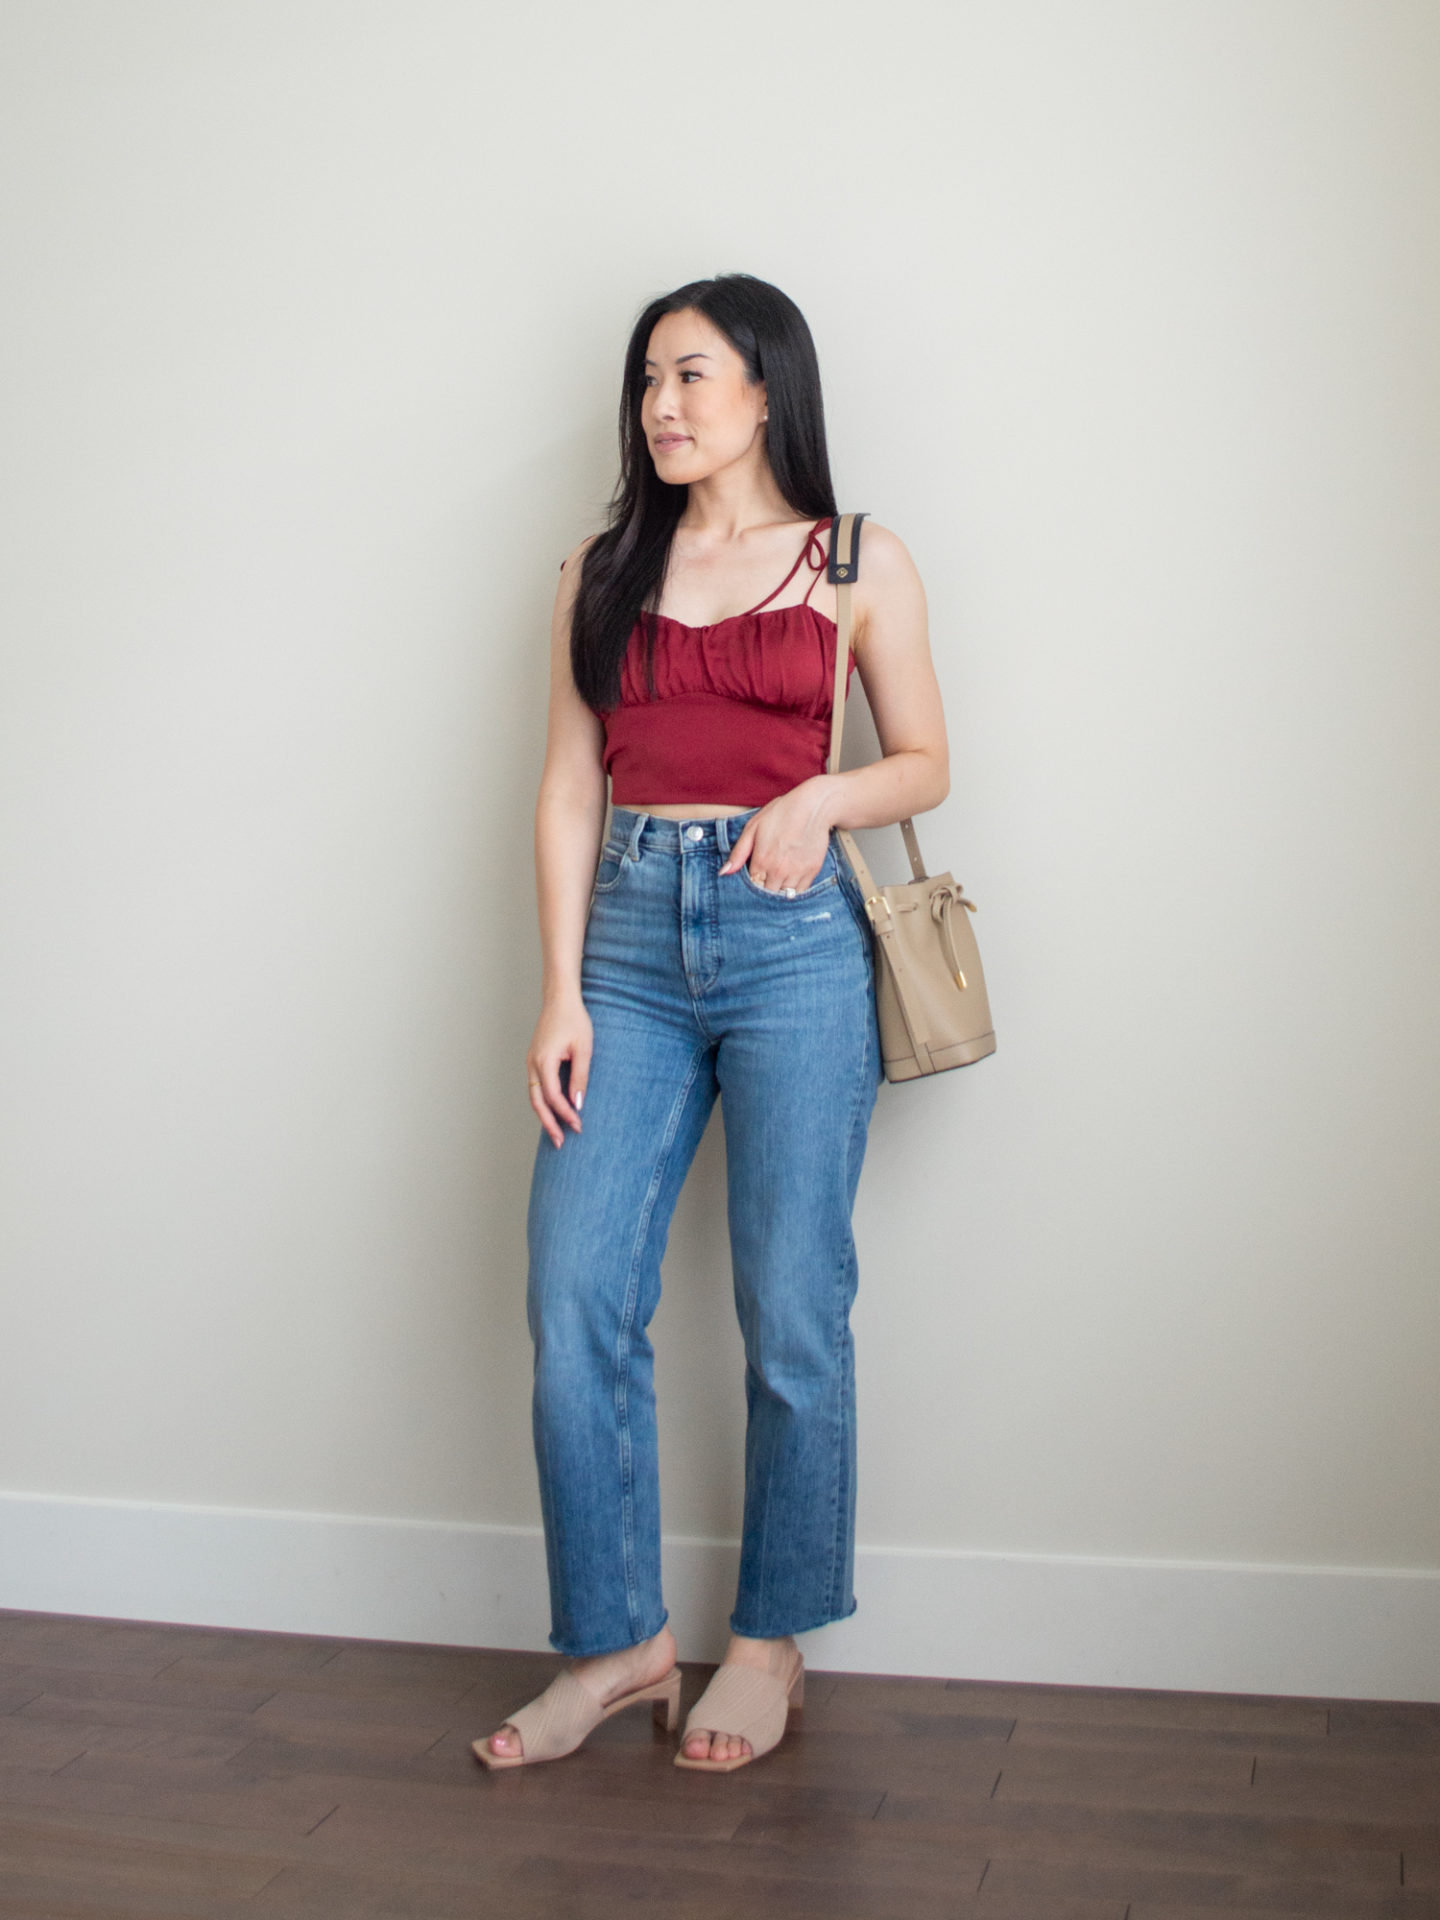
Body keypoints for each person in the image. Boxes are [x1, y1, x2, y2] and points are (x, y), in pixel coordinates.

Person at [473, 274, 948, 1773]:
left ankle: (770, 1640)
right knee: (574, 1307)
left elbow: (926, 763)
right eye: (647, 382)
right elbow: (566, 787)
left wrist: (822, 791)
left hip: (795, 943)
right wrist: (558, 986)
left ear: (765, 390)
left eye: (691, 376)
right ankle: (618, 1647)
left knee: (793, 1309)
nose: (662, 406)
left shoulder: (859, 561)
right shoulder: (598, 567)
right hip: (622, 942)